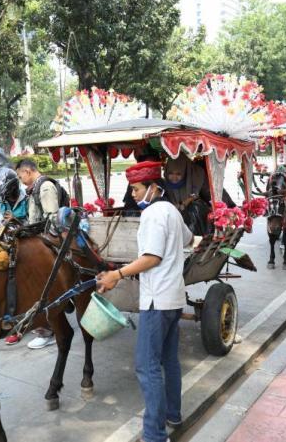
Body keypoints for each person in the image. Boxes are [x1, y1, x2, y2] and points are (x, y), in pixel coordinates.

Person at [97, 161, 193, 442]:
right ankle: (173, 414)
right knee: (169, 361)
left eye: (137, 189)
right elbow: (188, 239)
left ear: (154, 187)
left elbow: (152, 258)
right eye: (132, 189)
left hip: (157, 302)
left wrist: (116, 274)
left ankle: (154, 435)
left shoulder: (153, 215)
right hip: (174, 299)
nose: (134, 195)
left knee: (146, 365)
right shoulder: (173, 211)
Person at [15, 159, 61, 349]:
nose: (21, 180)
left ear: (27, 171)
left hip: (47, 241)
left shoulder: (45, 187)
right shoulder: (35, 188)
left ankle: (46, 329)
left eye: (20, 176)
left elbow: (52, 218)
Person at [164, 154, 236, 235]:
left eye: (178, 174)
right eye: (170, 173)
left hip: (199, 225)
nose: (174, 177)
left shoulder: (197, 177)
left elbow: (214, 197)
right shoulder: (164, 184)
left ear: (185, 172)